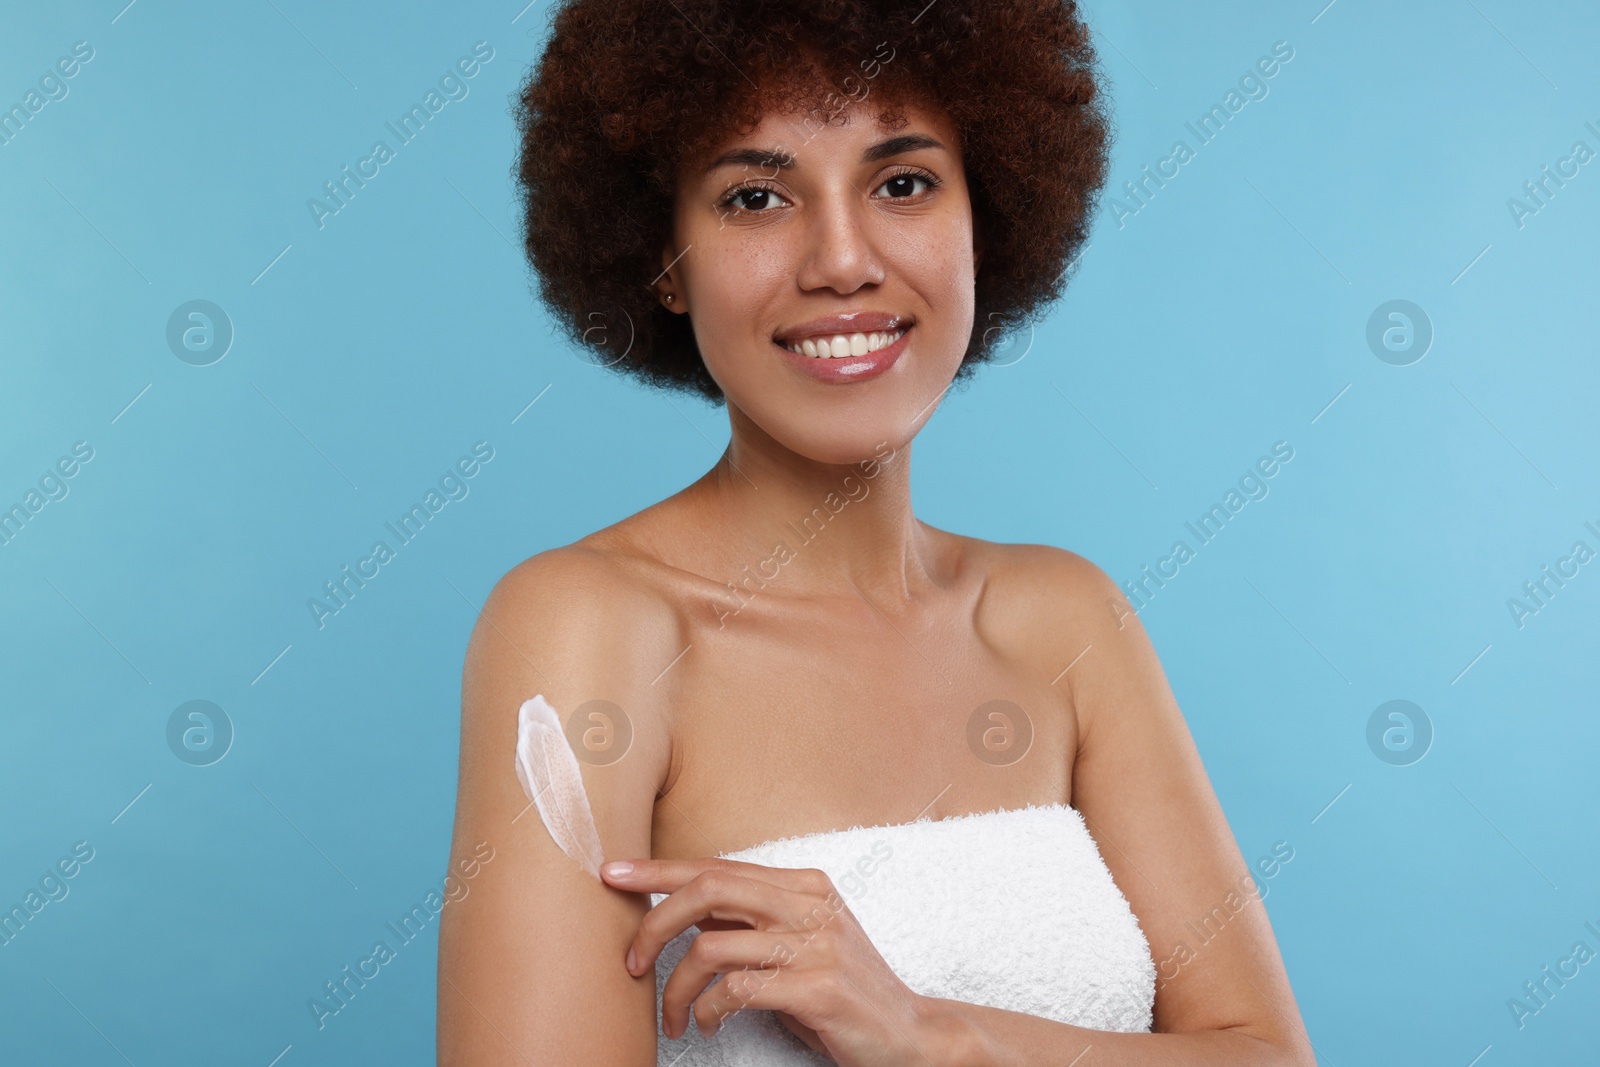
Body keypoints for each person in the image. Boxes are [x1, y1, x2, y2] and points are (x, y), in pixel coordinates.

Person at [438, 1, 1315, 1064]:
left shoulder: (1062, 619)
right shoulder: (592, 628)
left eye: (902, 183)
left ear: (984, 215)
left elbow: (1264, 1052)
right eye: (755, 196)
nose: (842, 260)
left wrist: (927, 1034)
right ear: (662, 262)